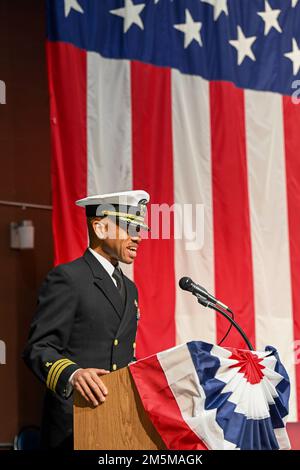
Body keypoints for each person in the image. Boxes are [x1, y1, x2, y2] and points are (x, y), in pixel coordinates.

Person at [23, 190, 150, 449]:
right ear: (100, 227)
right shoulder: (68, 279)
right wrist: (73, 374)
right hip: (75, 423)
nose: (137, 237)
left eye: (139, 228)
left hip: (118, 421)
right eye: (128, 226)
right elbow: (39, 348)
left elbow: (121, 356)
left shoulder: (129, 288)